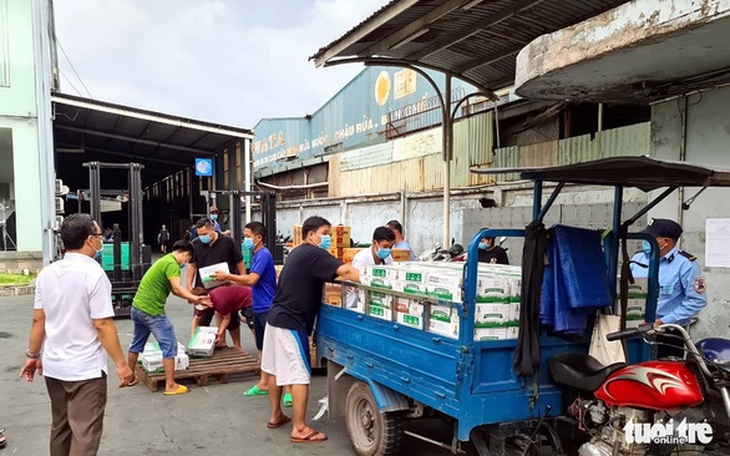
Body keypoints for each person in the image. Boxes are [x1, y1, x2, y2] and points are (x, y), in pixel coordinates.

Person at [19, 213, 135, 456]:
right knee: (85, 433)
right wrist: (121, 365)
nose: (102, 240)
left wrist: (32, 354)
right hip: (85, 371)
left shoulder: (47, 273)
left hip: (54, 367)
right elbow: (102, 323)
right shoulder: (94, 275)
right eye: (100, 235)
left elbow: (38, 319)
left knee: (60, 427)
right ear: (90, 240)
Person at [262, 216, 360, 443]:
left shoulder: (297, 252)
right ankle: (300, 428)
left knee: (276, 370)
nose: (327, 237)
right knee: (299, 375)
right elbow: (345, 272)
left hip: (275, 319)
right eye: (325, 233)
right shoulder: (313, 253)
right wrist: (380, 279)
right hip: (291, 323)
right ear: (311, 234)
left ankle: (276, 415)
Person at [127, 240, 210, 395]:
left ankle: (129, 376)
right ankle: (170, 384)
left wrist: (191, 297)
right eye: (187, 259)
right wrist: (196, 299)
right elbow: (178, 287)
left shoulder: (163, 261)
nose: (185, 263)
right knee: (169, 345)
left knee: (137, 342)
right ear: (186, 254)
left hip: (138, 308)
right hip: (152, 311)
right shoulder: (172, 264)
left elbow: (175, 290)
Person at [213, 222, 281, 401]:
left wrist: (228, 276)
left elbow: (251, 280)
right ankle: (264, 383)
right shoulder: (256, 254)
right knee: (262, 347)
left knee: (273, 348)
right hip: (258, 307)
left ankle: (286, 389)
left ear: (258, 238)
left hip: (267, 307)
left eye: (248, 236)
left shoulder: (264, 254)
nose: (245, 240)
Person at [629, 218, 708, 358]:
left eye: (650, 238)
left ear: (665, 242)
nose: (645, 241)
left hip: (666, 333)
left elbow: (697, 300)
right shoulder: (639, 258)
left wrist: (663, 321)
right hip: (635, 329)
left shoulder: (686, 264)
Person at [186, 217, 246, 348]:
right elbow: (191, 265)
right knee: (202, 317)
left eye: (204, 234)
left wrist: (243, 279)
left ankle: (237, 345)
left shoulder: (228, 242)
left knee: (231, 318)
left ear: (212, 229)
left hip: (226, 287)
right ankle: (199, 345)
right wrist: (189, 286)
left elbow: (239, 261)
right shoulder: (196, 244)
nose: (202, 237)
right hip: (204, 288)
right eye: (199, 234)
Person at [190, 284, 251, 351]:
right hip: (231, 301)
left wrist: (220, 332)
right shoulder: (204, 304)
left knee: (253, 324)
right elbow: (196, 319)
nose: (197, 306)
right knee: (221, 313)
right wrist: (193, 335)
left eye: (197, 303)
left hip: (248, 297)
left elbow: (227, 318)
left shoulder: (219, 303)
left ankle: (258, 351)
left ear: (204, 298)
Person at [346, 226, 396, 308]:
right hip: (354, 305)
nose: (388, 250)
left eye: (391, 247)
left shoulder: (388, 258)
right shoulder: (361, 258)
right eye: (385, 246)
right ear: (374, 243)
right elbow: (357, 286)